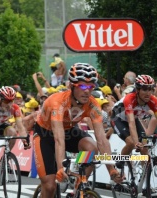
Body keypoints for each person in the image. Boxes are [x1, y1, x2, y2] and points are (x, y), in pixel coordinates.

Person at [33, 63, 123, 198]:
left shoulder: (93, 104)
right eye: (82, 86)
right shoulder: (57, 102)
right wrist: (60, 168)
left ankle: (77, 188)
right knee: (50, 186)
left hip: (69, 130)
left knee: (92, 148)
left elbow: (102, 139)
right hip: (45, 134)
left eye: (91, 86)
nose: (87, 90)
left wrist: (111, 169)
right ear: (71, 86)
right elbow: (58, 138)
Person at [110, 75, 157, 162]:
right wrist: (136, 143)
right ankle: (120, 162)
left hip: (134, 118)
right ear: (138, 90)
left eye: (150, 89)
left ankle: (145, 174)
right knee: (131, 143)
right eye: (144, 89)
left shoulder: (153, 100)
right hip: (118, 118)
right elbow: (131, 124)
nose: (148, 93)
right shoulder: (130, 99)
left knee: (145, 146)